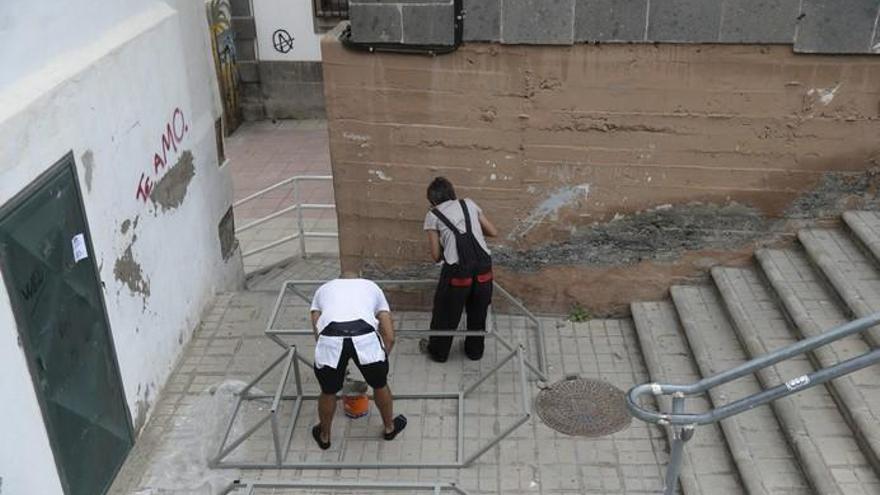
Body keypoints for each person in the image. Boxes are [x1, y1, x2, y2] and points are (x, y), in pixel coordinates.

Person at [310, 272, 406, 449]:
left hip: (331, 337)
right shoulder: (371, 286)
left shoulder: (323, 289)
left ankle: (324, 437)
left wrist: (329, 355)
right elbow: (390, 334)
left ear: (337, 279)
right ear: (360, 277)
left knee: (328, 391)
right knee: (380, 384)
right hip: (365, 337)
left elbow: (317, 326)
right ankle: (389, 428)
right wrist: (382, 356)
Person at [422, 177, 498, 362]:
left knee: (445, 313)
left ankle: (439, 353)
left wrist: (446, 243)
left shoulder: (433, 215)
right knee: (478, 312)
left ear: (432, 201)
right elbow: (493, 232)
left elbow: (435, 255)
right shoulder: (469, 204)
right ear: (452, 193)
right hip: (483, 271)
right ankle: (474, 352)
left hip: (457, 275)